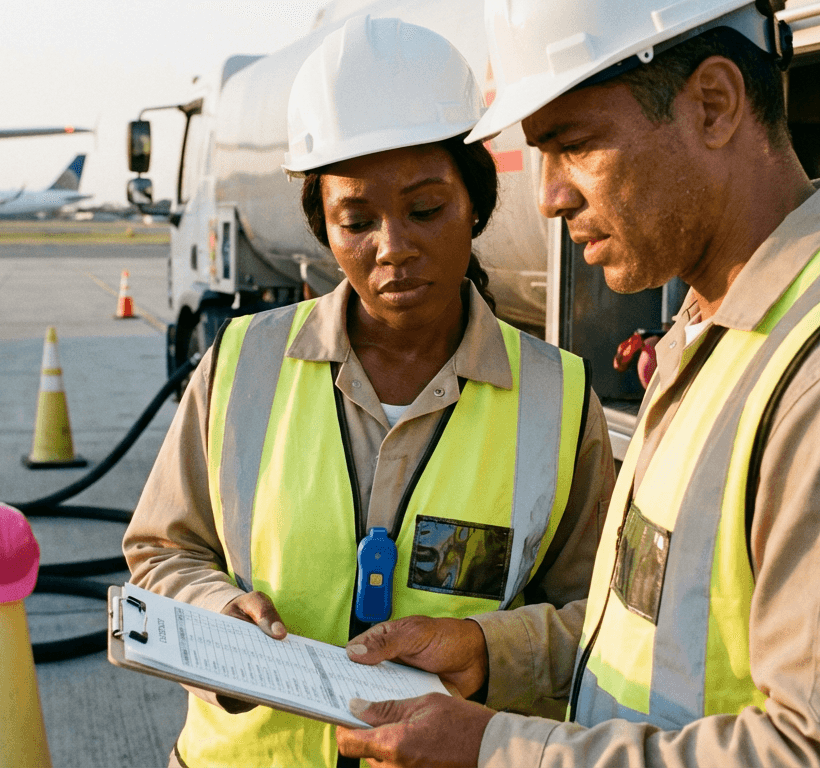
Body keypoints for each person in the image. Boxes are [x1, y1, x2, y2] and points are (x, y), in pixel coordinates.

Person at [333, 0, 820, 766]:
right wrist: (492, 654)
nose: (548, 196)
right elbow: (670, 632)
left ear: (714, 104)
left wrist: (501, 750)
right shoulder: (722, 336)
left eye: (574, 145)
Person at [122, 15, 613, 768]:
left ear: (475, 202)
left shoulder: (559, 395)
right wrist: (221, 616)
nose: (394, 248)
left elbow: (603, 621)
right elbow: (163, 549)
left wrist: (488, 648)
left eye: (425, 210)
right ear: (322, 224)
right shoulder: (240, 363)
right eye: (357, 221)